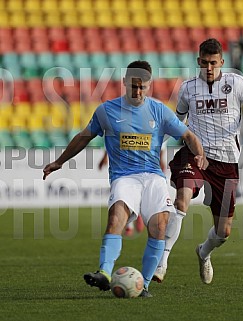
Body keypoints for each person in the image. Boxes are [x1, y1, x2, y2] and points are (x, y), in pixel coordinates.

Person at [43, 60, 206, 298]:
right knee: (116, 217)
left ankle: (145, 285)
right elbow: (83, 136)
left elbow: (189, 135)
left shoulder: (159, 111)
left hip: (152, 177)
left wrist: (200, 155)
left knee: (159, 227)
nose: (137, 91)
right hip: (124, 177)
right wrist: (60, 161)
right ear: (124, 82)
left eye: (142, 87)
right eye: (133, 86)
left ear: (149, 86)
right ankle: (105, 273)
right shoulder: (106, 111)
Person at [153, 38, 243, 284]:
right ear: (199, 61)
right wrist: (159, 147)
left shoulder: (236, 83)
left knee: (223, 232)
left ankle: (203, 252)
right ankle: (161, 262)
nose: (209, 68)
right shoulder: (188, 89)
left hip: (226, 164)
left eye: (213, 63)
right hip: (196, 155)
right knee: (182, 198)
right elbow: (176, 123)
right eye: (205, 63)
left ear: (222, 62)